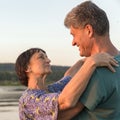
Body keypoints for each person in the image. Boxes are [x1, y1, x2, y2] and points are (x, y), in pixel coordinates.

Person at [15, 48, 118, 120]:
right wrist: (91, 62)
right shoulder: (28, 100)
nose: (48, 60)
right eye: (41, 57)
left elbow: (68, 77)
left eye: (47, 57)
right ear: (27, 68)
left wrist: (82, 62)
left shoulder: (50, 90)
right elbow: (66, 101)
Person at [64, 1, 120, 120]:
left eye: (74, 35)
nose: (73, 42)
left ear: (89, 30)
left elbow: (58, 116)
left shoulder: (96, 71)